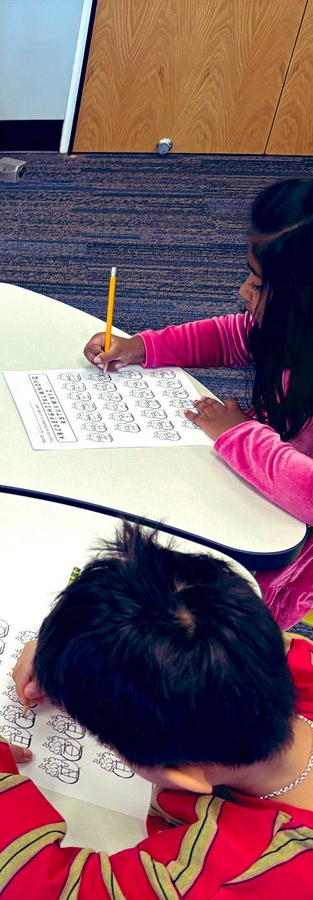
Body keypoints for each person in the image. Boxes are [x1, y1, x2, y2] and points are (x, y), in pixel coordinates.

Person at [0, 524, 313, 897]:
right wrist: (64, 653)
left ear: (181, 777)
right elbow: (180, 624)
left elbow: (42, 887)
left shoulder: (237, 870)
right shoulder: (289, 660)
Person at [84, 178, 313, 629]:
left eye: (258, 283)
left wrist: (239, 435)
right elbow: (230, 336)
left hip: (282, 554)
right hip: (251, 488)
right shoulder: (287, 328)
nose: (243, 292)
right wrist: (143, 347)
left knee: (212, 631)